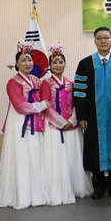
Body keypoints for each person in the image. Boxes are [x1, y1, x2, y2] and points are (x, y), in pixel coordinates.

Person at [0, 41, 50, 209]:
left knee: (36, 155)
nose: (27, 63)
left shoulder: (36, 80)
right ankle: (22, 193)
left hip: (36, 122)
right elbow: (19, 105)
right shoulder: (13, 82)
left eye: (29, 60)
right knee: (23, 156)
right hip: (20, 122)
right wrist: (41, 106)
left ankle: (37, 191)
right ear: (16, 63)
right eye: (23, 60)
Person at [73, 27, 111, 199]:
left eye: (106, 37)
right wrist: (82, 116)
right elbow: (79, 92)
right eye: (99, 38)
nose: (103, 41)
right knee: (93, 150)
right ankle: (98, 186)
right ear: (95, 41)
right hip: (93, 117)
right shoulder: (85, 64)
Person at [40, 44, 94, 205]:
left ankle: (74, 187)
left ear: (65, 64)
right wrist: (61, 122)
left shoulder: (71, 83)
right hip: (54, 126)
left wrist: (72, 120)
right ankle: (57, 189)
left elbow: (78, 103)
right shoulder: (46, 83)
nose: (58, 65)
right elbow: (46, 105)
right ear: (49, 66)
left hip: (72, 126)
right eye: (54, 62)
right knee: (57, 158)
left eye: (61, 62)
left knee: (72, 157)